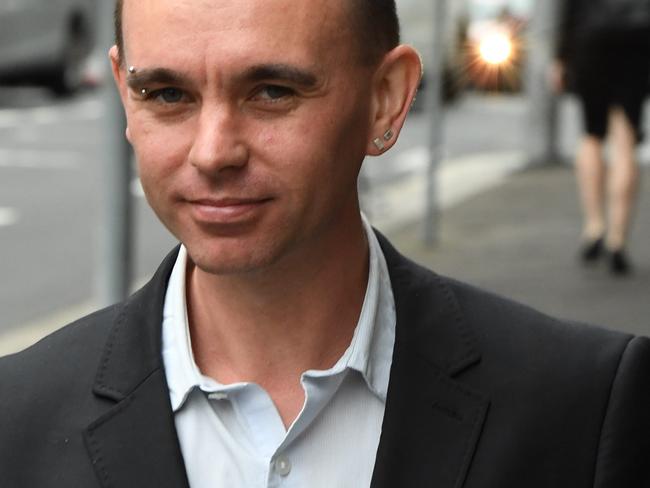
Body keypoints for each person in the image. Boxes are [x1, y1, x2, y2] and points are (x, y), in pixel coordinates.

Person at [1, 0, 649, 486]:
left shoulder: (581, 410)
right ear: (123, 92)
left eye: (273, 91)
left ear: (386, 100)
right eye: (167, 94)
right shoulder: (16, 421)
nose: (213, 151)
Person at [553, 0, 650, 275]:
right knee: (625, 140)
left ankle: (594, 226)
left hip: (591, 38)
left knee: (592, 136)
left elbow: (568, 9)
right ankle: (617, 239)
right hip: (637, 40)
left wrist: (560, 57)